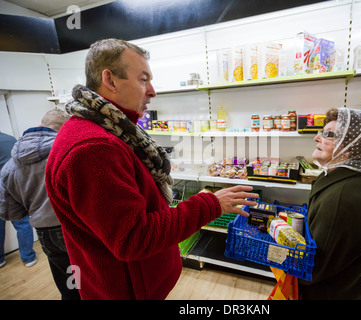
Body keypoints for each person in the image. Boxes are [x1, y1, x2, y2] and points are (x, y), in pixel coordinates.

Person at [44, 38, 259, 300]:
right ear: (109, 80)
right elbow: (134, 237)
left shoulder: (108, 129)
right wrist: (210, 205)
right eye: (143, 79)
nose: (153, 91)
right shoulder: (94, 148)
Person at [298, 107, 361, 300]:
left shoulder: (343, 197)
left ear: (351, 148)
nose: (316, 138)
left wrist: (276, 254)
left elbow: (314, 268)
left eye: (329, 135)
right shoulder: (343, 179)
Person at [0, 110, 80, 300]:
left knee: (67, 281)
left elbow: (11, 212)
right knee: (89, 277)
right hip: (73, 227)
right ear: (62, 129)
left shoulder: (10, 166)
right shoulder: (69, 152)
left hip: (45, 233)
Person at [0, 131, 36, 268]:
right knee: (22, 221)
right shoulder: (10, 138)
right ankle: (28, 257)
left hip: (2, 183)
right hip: (14, 182)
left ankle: (0, 259)